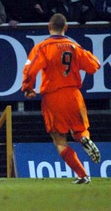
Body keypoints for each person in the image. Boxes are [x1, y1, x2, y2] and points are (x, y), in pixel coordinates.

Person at [21, 13, 101, 184]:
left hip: (53, 97)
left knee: (59, 139)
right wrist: (83, 51)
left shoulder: (43, 47)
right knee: (79, 130)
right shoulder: (74, 46)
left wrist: (28, 88)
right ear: (66, 27)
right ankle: (84, 139)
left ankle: (82, 175)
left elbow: (30, 69)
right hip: (74, 95)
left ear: (49, 27)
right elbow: (94, 66)